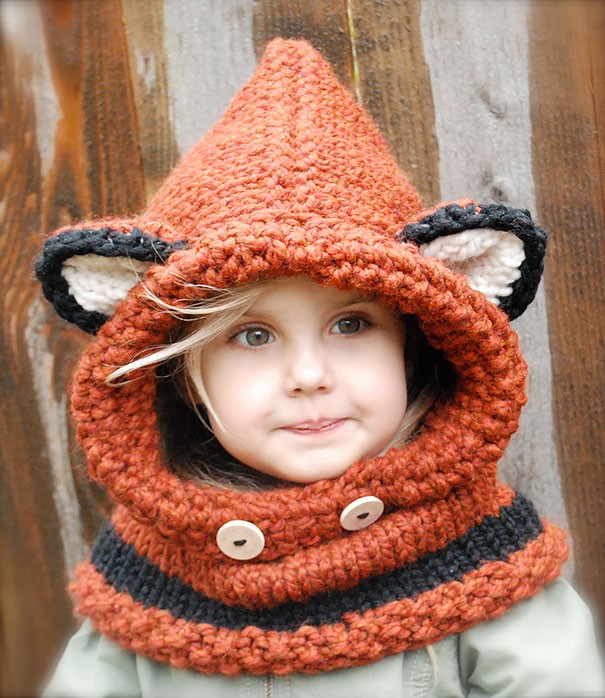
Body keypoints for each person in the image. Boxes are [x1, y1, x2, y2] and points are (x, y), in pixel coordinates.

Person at [36, 38, 604, 697]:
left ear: (414, 346)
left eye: (351, 325)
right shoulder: (145, 574)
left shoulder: (482, 557)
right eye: (252, 336)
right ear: (185, 378)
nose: (308, 375)